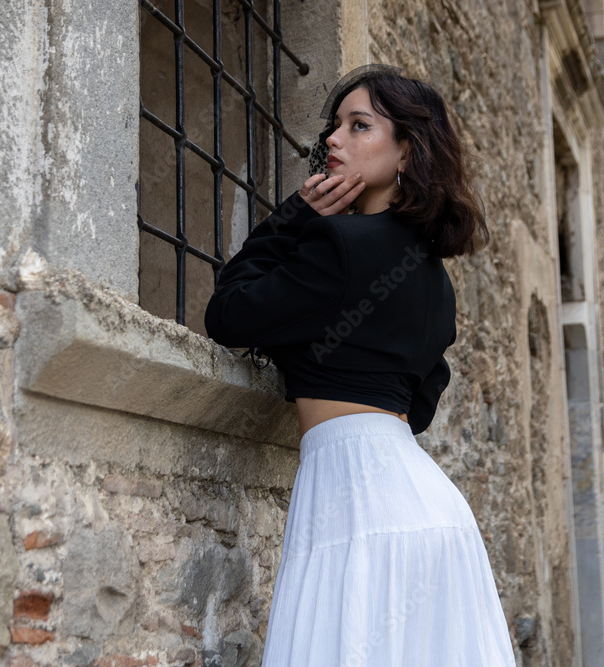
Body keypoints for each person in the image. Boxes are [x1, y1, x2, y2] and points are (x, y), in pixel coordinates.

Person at [204, 64, 516, 666]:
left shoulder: (337, 244)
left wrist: (296, 214)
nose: (333, 141)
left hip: (358, 504)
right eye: (335, 126)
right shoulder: (435, 281)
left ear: (407, 152)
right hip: (430, 510)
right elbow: (417, 406)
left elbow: (228, 314)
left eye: (359, 125)